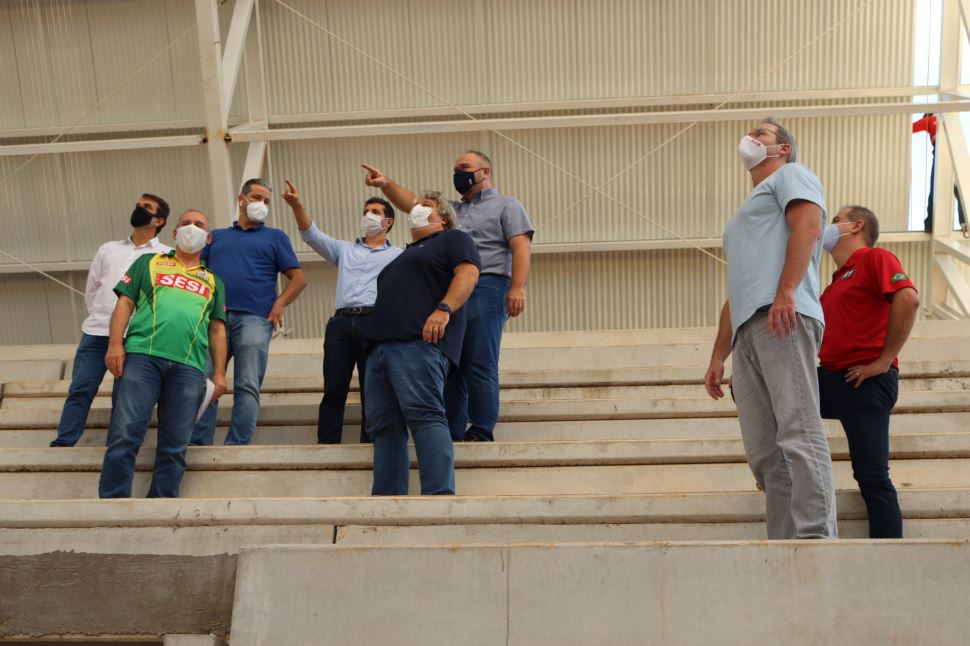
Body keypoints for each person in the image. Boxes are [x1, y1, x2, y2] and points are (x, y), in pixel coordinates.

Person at [704, 117, 838, 539]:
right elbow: (739, 285)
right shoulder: (747, 212)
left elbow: (809, 227)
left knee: (798, 427)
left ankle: (816, 535)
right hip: (748, 329)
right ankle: (784, 543)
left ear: (782, 148)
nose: (751, 138)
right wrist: (717, 354)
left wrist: (786, 293)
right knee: (765, 452)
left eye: (761, 133)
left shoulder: (793, 175)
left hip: (781, 314)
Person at [362, 151, 533, 442]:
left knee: (478, 359)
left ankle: (480, 429)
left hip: (487, 285)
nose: (459, 173)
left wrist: (517, 287)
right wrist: (385, 185)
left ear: (485, 171)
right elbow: (412, 203)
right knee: (452, 359)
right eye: (455, 168)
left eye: (465, 167)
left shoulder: (507, 205)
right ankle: (453, 429)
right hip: (450, 288)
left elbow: (520, 245)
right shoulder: (449, 210)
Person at [99, 210, 228, 498]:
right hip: (142, 357)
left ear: (208, 238)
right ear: (174, 233)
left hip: (190, 368)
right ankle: (113, 501)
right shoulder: (149, 262)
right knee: (125, 435)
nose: (190, 228)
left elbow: (217, 330)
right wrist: (115, 344)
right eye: (185, 223)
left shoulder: (214, 281)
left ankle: (161, 503)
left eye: (198, 225)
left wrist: (219, 372)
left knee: (175, 444)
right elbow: (124, 305)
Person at [365, 191, 481, 495]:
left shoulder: (453, 239)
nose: (416, 208)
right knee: (384, 427)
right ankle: (388, 499)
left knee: (425, 416)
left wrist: (444, 310)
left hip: (418, 344)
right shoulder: (402, 257)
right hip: (381, 350)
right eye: (415, 204)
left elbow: (468, 273)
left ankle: (438, 495)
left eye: (425, 205)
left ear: (443, 216)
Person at [818, 206, 919, 538]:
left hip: (866, 379)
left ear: (856, 225)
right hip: (834, 377)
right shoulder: (832, 286)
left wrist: (884, 360)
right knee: (765, 387)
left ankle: (890, 564)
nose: (827, 227)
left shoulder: (875, 259)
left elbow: (907, 298)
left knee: (872, 476)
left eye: (835, 221)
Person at [281, 179, 401, 444]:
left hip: (375, 322)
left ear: (388, 222)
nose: (368, 216)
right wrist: (297, 205)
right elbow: (311, 234)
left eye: (375, 212)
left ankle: (369, 446)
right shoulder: (345, 250)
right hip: (341, 324)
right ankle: (327, 445)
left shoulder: (399, 256)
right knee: (334, 388)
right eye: (365, 211)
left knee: (373, 388)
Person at [191, 178, 307, 446]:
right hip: (214, 320)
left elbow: (299, 279)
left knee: (247, 383)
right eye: (256, 198)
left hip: (255, 319)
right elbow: (198, 271)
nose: (262, 204)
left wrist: (279, 303)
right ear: (241, 200)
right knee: (204, 381)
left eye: (266, 201)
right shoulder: (216, 236)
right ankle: (198, 442)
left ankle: (237, 444)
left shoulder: (276, 237)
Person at [51, 194, 172, 447]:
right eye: (138, 205)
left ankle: (116, 447)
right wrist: (103, 317)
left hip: (136, 337)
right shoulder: (108, 249)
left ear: (159, 220)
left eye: (146, 208)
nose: (139, 209)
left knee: (124, 396)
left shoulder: (166, 255)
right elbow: (92, 291)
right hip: (96, 334)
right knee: (81, 389)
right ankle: (65, 442)